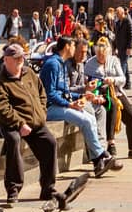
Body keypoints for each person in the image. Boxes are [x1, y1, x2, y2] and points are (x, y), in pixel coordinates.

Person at [38, 37, 118, 174]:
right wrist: (69, 104)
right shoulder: (53, 64)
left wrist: (83, 97)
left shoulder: (60, 63)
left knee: (91, 118)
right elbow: (50, 94)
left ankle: (98, 161)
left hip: (61, 104)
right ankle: (100, 155)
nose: (75, 49)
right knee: (86, 120)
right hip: (50, 108)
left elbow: (65, 91)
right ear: (67, 47)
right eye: (74, 46)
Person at [0, 43, 58, 206]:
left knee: (50, 143)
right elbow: (2, 108)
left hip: (34, 121)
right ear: (7, 60)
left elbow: (42, 93)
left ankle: (48, 188)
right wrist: (20, 123)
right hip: (9, 123)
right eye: (17, 58)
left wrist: (42, 112)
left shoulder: (29, 73)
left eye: (22, 57)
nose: (21, 60)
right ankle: (13, 189)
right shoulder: (0, 81)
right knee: (13, 141)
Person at [84, 37, 132, 160]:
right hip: (99, 93)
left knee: (131, 117)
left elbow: (123, 79)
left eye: (103, 56)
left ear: (108, 53)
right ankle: (111, 143)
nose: (101, 58)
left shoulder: (114, 60)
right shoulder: (90, 64)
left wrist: (113, 80)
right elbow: (87, 83)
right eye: (99, 55)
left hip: (116, 91)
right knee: (112, 106)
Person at [112, 7, 132, 90]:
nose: (116, 15)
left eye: (118, 13)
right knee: (125, 64)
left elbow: (131, 35)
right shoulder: (117, 23)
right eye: (116, 13)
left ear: (122, 13)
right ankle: (128, 83)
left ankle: (121, 84)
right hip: (120, 46)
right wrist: (115, 47)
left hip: (125, 47)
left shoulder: (128, 21)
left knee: (122, 65)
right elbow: (116, 35)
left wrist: (130, 47)